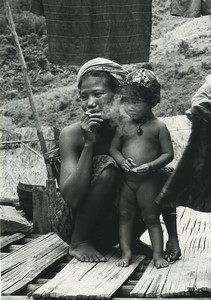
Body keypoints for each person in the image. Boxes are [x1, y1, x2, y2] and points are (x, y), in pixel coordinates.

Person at [57, 57, 181, 263]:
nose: (90, 103)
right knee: (108, 166)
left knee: (158, 171)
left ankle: (132, 239)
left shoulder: (131, 130)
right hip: (72, 226)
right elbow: (71, 198)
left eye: (98, 94)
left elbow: (163, 176)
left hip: (115, 226)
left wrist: (173, 238)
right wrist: (89, 145)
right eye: (83, 96)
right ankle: (80, 242)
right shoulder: (71, 135)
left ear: (118, 97)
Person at [110, 69, 174, 268]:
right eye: (127, 101)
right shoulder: (123, 125)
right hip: (128, 182)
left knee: (152, 217)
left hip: (148, 182)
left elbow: (168, 154)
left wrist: (151, 166)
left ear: (152, 103)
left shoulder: (158, 127)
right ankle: (126, 254)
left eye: (136, 102)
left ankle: (158, 256)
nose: (130, 107)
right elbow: (113, 148)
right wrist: (121, 161)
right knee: (125, 216)